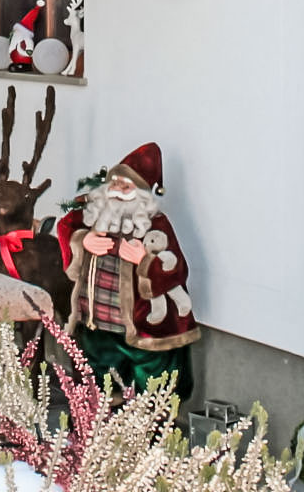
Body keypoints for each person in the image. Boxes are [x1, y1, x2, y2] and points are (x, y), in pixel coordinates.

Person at [54, 143, 198, 395]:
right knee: (97, 389)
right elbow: (66, 226)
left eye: (126, 187)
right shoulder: (93, 215)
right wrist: (83, 240)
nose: (117, 191)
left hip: (141, 327)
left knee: (153, 390)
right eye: (115, 183)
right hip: (98, 324)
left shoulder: (156, 226)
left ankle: (147, 419)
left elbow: (177, 270)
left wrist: (145, 261)